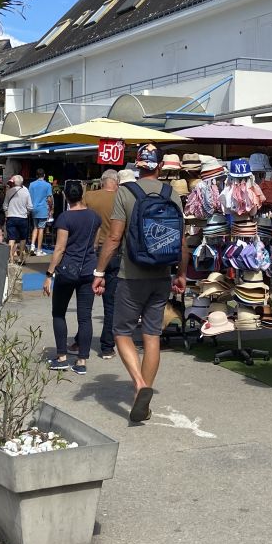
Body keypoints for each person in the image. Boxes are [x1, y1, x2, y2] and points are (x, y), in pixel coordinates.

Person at [92, 144, 188, 422]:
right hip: (161, 274)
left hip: (130, 275)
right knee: (152, 335)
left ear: (137, 165)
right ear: (159, 166)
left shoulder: (126, 192)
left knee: (121, 332)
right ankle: (140, 401)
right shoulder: (172, 195)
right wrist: (181, 273)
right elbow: (181, 242)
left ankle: (140, 385)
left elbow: (113, 238)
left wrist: (99, 273)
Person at [44, 181, 103, 375]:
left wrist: (49, 274)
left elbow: (60, 248)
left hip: (68, 270)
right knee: (84, 317)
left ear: (67, 197)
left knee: (59, 313)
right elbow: (95, 244)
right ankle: (82, 360)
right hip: (88, 270)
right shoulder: (94, 217)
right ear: (82, 195)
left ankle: (61, 357)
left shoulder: (65, 218)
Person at [76, 169, 120, 359]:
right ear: (116, 182)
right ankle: (107, 346)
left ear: (102, 182)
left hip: (92, 251)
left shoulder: (90, 197)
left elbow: (80, 220)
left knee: (86, 301)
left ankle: (80, 340)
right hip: (116, 252)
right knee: (111, 302)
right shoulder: (122, 198)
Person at [4, 174, 32, 261]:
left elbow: (5, 206)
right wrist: (27, 213)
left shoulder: (9, 192)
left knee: (11, 238)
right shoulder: (26, 192)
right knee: (23, 238)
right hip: (23, 217)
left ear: (14, 182)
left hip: (11, 217)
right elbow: (30, 207)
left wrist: (7, 214)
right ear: (22, 182)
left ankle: (11, 258)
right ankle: (21, 258)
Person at [28, 169, 53, 256]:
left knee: (35, 227)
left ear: (36, 175)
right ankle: (39, 249)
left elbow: (29, 197)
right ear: (44, 175)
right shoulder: (47, 185)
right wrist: (51, 207)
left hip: (33, 208)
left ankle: (32, 246)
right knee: (41, 229)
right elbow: (49, 199)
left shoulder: (31, 185)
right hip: (43, 208)